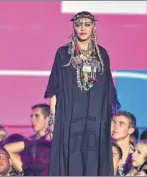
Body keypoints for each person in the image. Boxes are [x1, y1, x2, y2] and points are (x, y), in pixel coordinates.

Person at [44, 11, 120, 176]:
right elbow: (54, 89)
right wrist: (52, 118)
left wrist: (111, 118)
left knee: (93, 157)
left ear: (94, 26)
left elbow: (108, 90)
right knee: (70, 157)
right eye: (78, 25)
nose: (83, 28)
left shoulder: (102, 55)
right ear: (74, 27)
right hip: (69, 118)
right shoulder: (63, 54)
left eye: (87, 24)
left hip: (96, 117)